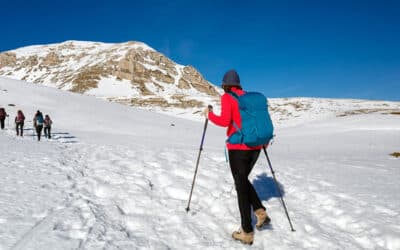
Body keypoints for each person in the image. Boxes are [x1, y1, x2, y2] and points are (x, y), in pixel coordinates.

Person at [204, 70, 271, 245]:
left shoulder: (227, 97)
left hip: (239, 147)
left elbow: (225, 121)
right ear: (238, 83)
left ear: (225, 84)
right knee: (242, 180)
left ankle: (247, 232)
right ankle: (260, 211)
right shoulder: (247, 97)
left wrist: (209, 115)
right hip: (256, 146)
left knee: (240, 185)